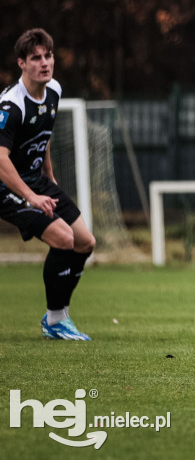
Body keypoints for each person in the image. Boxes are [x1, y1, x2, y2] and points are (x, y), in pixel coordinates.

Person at [0, 29, 96, 341]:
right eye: (36, 58)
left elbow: (44, 137)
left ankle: (59, 315)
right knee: (63, 238)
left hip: (37, 180)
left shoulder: (53, 89)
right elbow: (0, 160)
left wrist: (49, 178)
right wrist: (31, 196)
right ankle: (55, 322)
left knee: (85, 242)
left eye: (48, 56)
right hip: (7, 186)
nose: (45, 63)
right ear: (21, 64)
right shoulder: (11, 107)